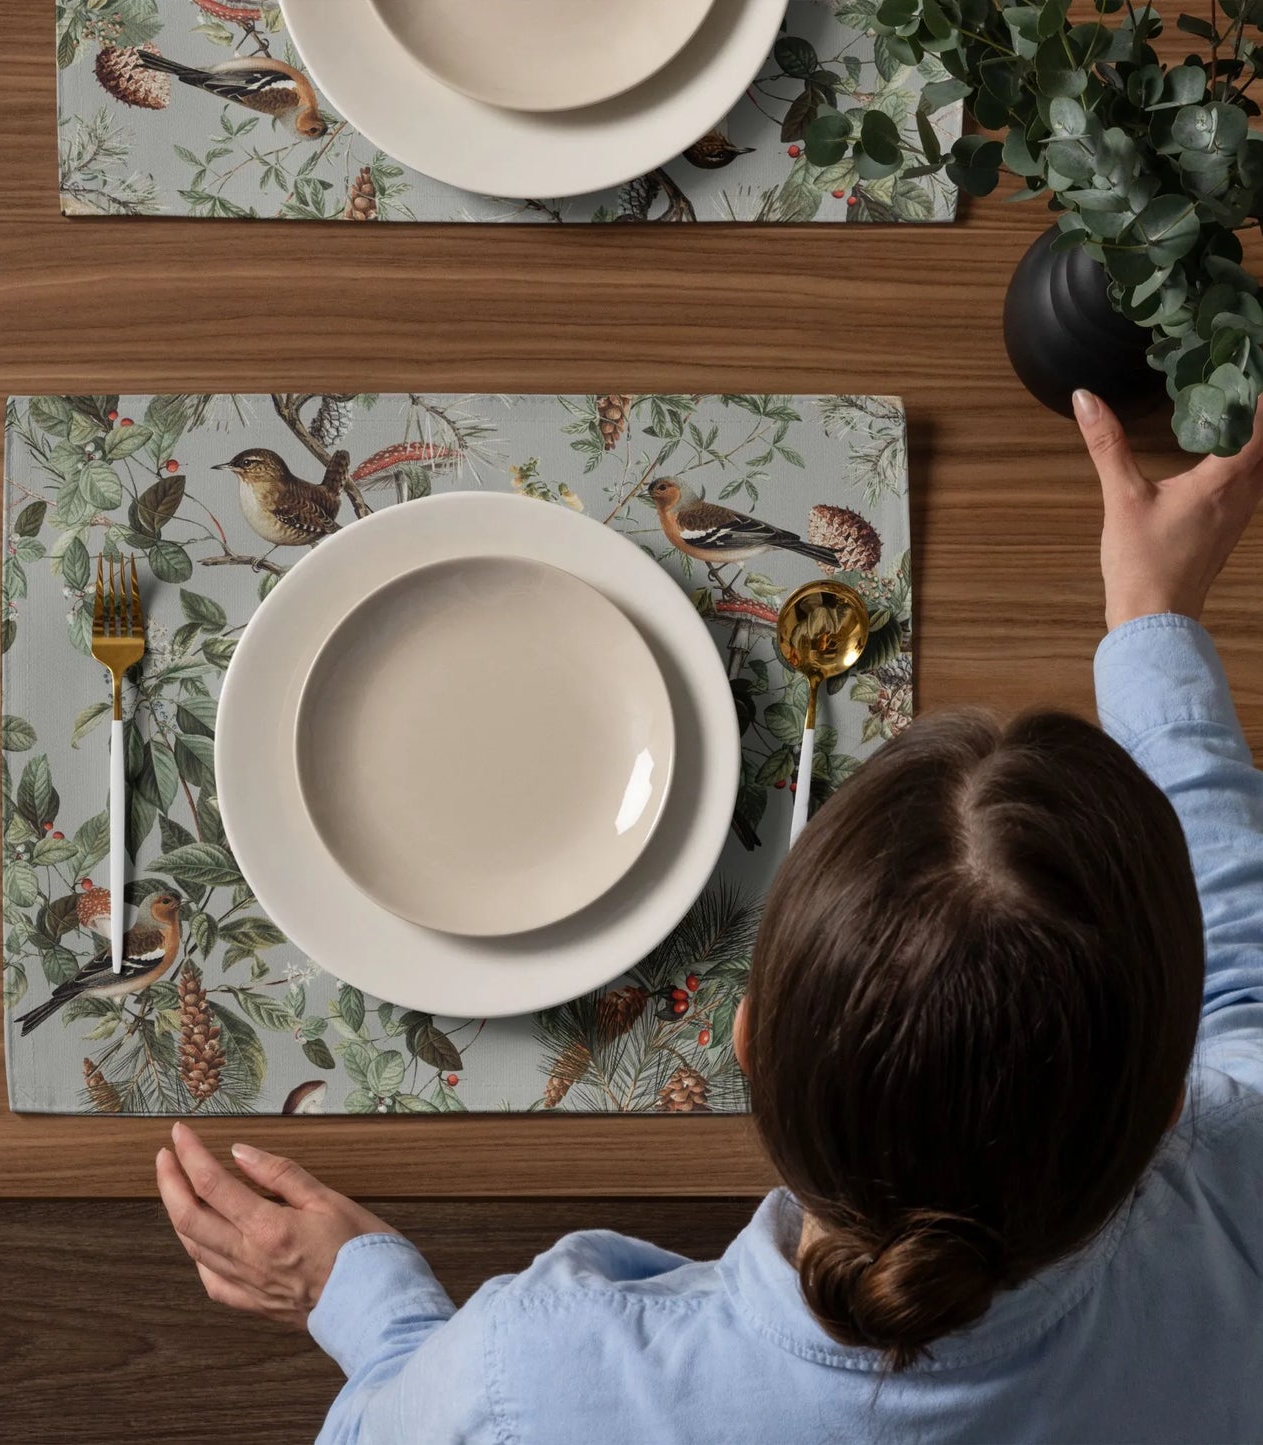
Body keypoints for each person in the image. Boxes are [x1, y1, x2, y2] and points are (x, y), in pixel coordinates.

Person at [155, 391, 1263, 1444]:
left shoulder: (531, 1380)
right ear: (1166, 1104)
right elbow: (1242, 986)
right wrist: (1150, 621)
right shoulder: (1235, 1201)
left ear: (745, 1042)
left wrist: (370, 1308)